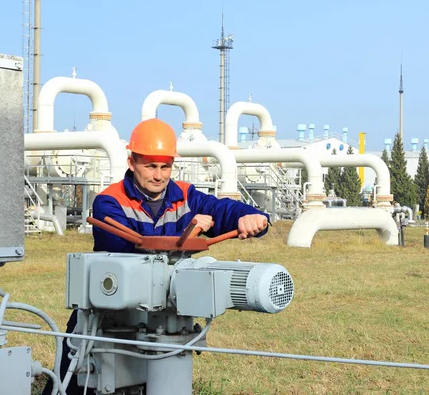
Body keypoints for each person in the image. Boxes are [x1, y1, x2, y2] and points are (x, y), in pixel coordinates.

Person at [44, 118, 269, 395]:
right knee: (76, 384)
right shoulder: (109, 201)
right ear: (132, 163)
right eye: (150, 166)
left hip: (161, 315)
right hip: (106, 317)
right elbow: (129, 249)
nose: (159, 175)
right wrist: (190, 232)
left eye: (165, 166)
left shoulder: (186, 196)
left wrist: (252, 217)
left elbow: (221, 209)